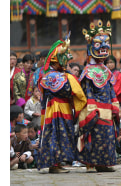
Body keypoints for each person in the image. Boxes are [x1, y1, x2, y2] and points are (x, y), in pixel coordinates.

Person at [37, 37, 87, 173]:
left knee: (63, 135)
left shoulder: (61, 74)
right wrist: (69, 78)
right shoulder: (51, 75)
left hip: (63, 109)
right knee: (55, 134)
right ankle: (53, 165)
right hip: (55, 110)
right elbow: (65, 90)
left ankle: (58, 163)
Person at [77, 20, 119, 172]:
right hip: (94, 109)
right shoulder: (88, 70)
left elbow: (110, 89)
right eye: (98, 44)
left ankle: (103, 163)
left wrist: (115, 104)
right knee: (93, 136)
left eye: (106, 43)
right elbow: (87, 90)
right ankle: (90, 164)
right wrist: (91, 107)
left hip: (107, 108)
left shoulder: (106, 70)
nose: (104, 47)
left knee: (107, 137)